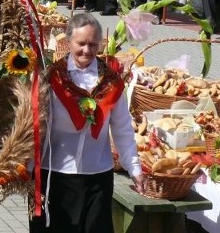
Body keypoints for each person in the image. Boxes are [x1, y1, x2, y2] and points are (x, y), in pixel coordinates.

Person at [30, 13, 143, 233]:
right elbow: (36, 126)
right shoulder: (52, 78)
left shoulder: (112, 82)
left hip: (97, 176)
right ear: (69, 42)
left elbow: (121, 129)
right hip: (54, 175)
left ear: (100, 44)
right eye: (81, 44)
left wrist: (134, 168)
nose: (86, 50)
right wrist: (25, 167)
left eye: (93, 44)